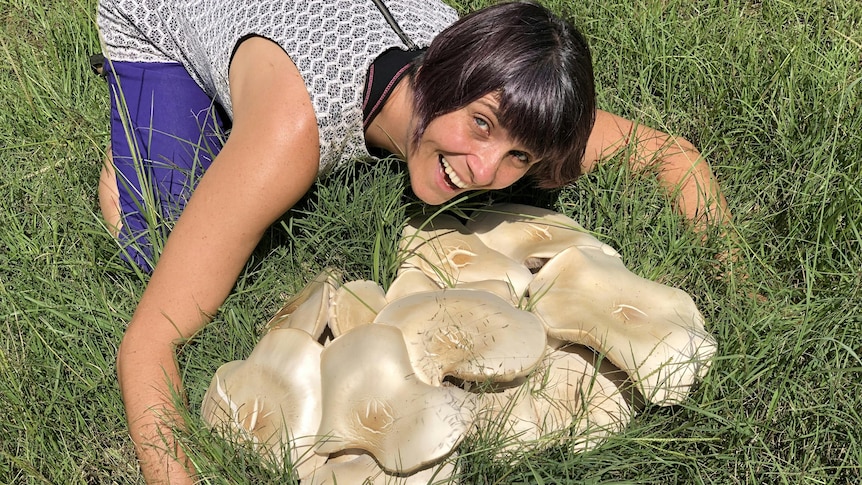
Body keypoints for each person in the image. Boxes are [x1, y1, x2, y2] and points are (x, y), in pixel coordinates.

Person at [94, 0, 730, 482]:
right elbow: (149, 341)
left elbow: (673, 156)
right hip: (167, 12)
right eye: (479, 124)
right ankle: (138, 122)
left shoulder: (501, 86)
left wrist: (737, 285)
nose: (481, 171)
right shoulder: (296, 131)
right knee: (151, 242)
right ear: (443, 70)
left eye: (516, 155)